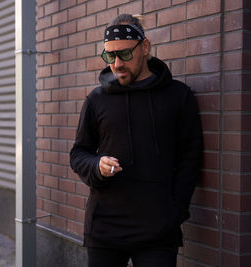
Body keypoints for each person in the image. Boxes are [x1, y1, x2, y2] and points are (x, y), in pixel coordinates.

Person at [70, 14, 203, 267]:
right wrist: (96, 166)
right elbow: (78, 153)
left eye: (125, 54)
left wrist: (175, 212)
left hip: (158, 230)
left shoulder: (178, 96)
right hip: (105, 228)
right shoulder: (97, 100)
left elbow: (190, 158)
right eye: (110, 56)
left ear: (144, 47)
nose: (117, 64)